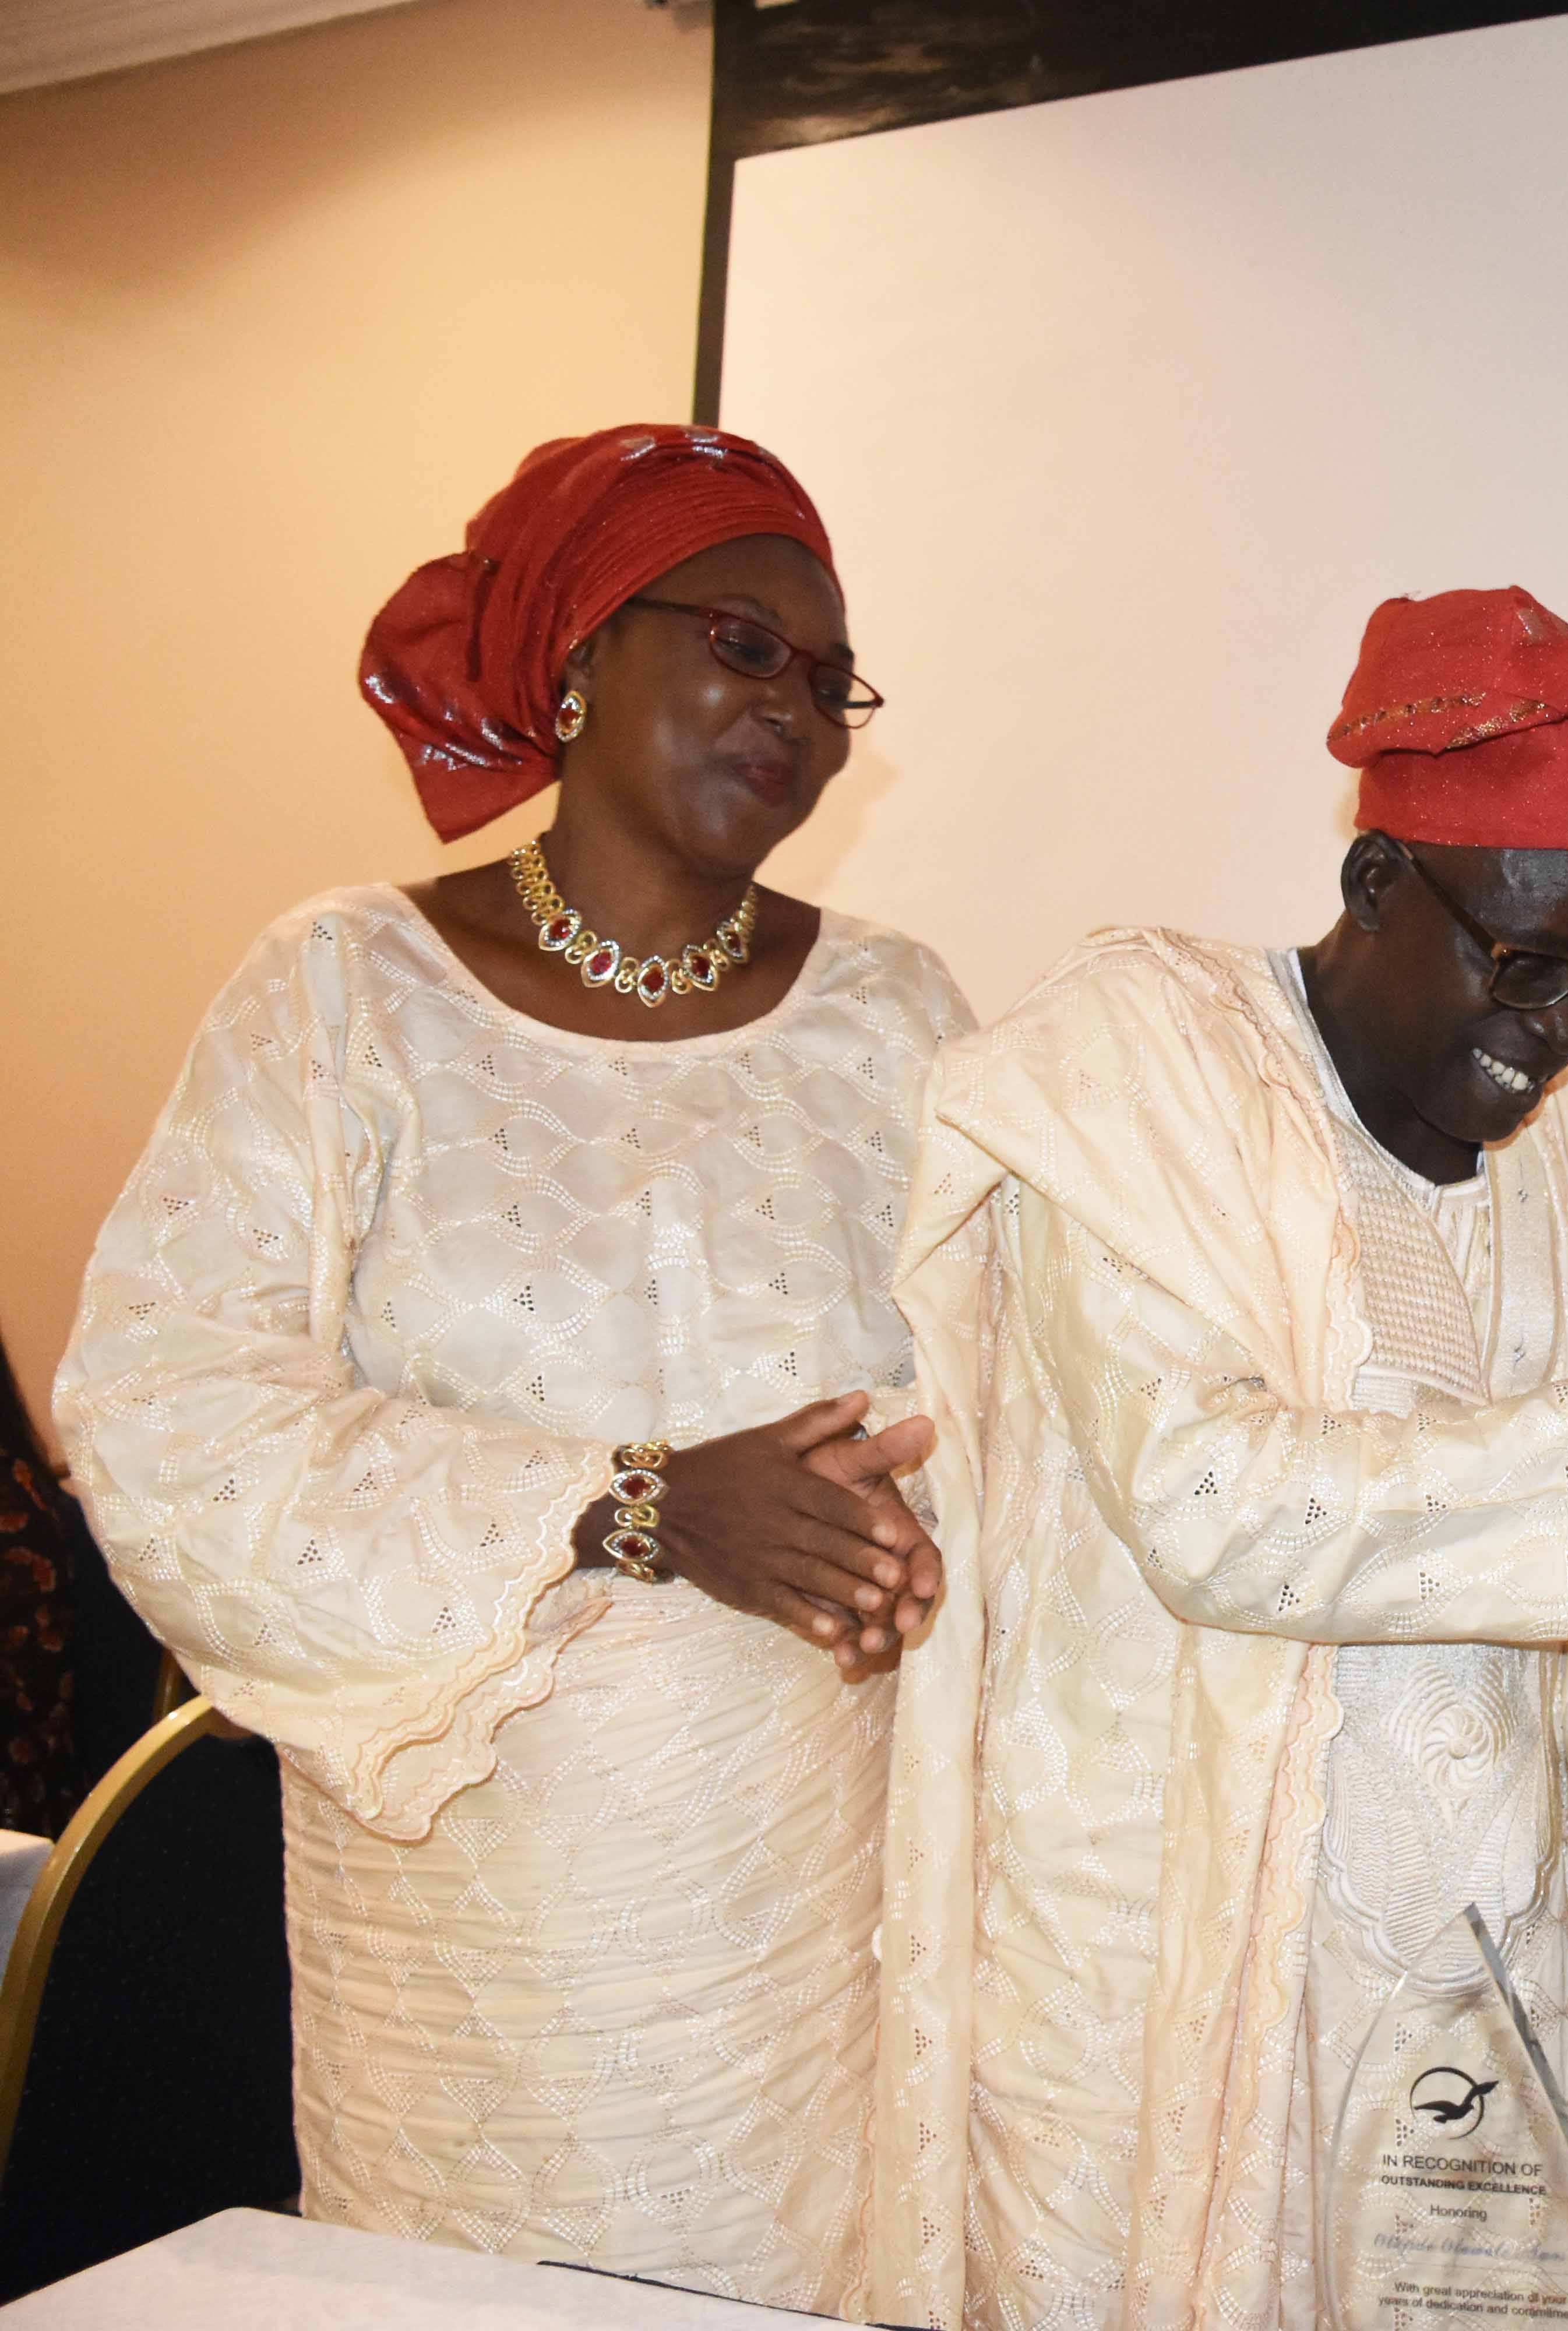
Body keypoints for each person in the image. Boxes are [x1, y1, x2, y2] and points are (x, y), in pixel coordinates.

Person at [871, 586, 1568, 2331]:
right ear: (1379, 882)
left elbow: (1564, 1576)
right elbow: (1213, 1511)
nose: (1558, 1030)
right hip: (1162, 1978)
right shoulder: (1141, 1074)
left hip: (1459, 1990)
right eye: (1525, 967)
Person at [55, 425, 966, 2310]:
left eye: (828, 677)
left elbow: (1024, 1400)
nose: (793, 706)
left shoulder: (900, 1015)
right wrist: (629, 1505)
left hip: (806, 1935)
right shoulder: (343, 991)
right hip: (472, 1943)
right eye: (739, 642)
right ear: (574, 660)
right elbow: (165, 1412)